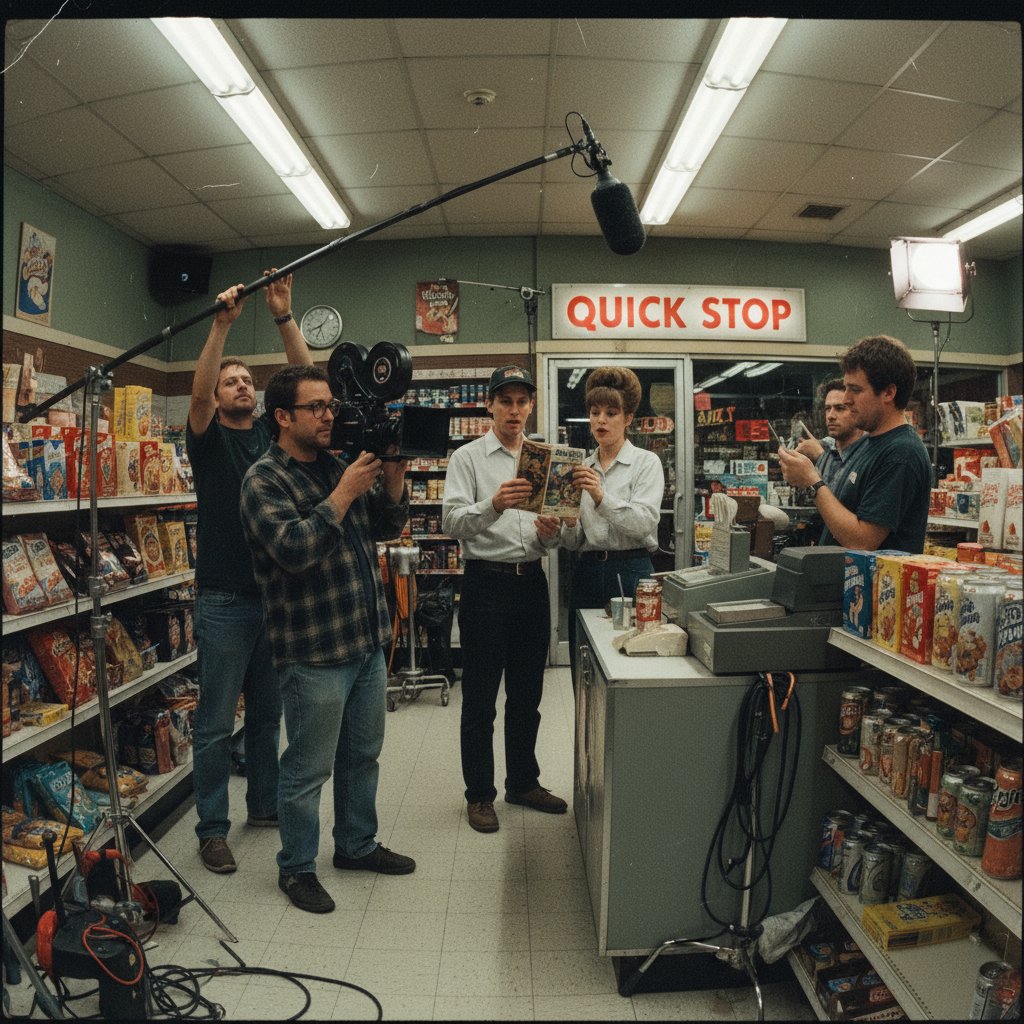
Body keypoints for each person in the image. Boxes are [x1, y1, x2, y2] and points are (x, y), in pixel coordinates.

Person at [239, 364, 415, 914]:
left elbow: (385, 528)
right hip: (314, 651)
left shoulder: (339, 462)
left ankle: (356, 845)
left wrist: (391, 475)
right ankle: (296, 868)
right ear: (283, 417)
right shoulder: (263, 480)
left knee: (363, 754)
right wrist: (341, 495)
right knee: (308, 767)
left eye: (329, 405)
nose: (328, 414)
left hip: (364, 641)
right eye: (316, 406)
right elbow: (294, 549)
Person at [187, 271, 311, 875]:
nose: (238, 386)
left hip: (274, 597)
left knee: (268, 715)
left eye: (246, 381)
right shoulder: (208, 441)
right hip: (222, 601)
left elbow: (306, 388)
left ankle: (263, 807)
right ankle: (212, 828)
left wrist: (285, 317)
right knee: (214, 722)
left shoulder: (271, 435)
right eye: (230, 381)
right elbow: (197, 395)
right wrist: (222, 327)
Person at [441, 365, 566, 834]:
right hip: (485, 585)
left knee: (527, 696)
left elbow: (553, 533)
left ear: (531, 405)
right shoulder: (468, 458)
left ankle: (522, 782)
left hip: (532, 583)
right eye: (505, 401)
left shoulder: (546, 459)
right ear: (489, 405)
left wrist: (552, 533)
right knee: (478, 700)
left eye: (522, 401)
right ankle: (479, 796)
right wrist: (492, 505)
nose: (514, 410)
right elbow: (451, 522)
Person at [778, 334, 931, 553]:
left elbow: (862, 541)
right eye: (847, 388)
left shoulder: (901, 452)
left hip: (875, 586)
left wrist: (812, 481)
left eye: (856, 390)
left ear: (888, 392)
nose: (847, 399)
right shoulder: (868, 443)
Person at [561, 367, 665, 686]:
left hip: (633, 571)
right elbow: (575, 540)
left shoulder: (646, 463)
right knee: (582, 667)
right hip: (588, 572)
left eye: (611, 412)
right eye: (595, 413)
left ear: (628, 418)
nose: (601, 420)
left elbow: (644, 521)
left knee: (632, 668)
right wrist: (564, 524)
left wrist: (599, 496)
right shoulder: (581, 467)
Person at [794, 377, 867, 494]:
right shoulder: (826, 445)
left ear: (857, 410)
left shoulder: (870, 451)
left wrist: (820, 456)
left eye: (840, 408)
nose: (830, 416)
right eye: (828, 409)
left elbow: (841, 498)